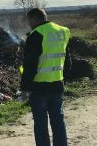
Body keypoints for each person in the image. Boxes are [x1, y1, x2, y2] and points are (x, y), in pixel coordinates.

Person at [21, 8, 70, 146]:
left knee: (41, 123)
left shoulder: (36, 34)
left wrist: (25, 89)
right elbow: (67, 60)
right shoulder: (62, 31)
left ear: (34, 19)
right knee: (58, 121)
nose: (29, 24)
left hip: (39, 88)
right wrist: (63, 78)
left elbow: (30, 65)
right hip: (57, 85)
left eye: (29, 21)